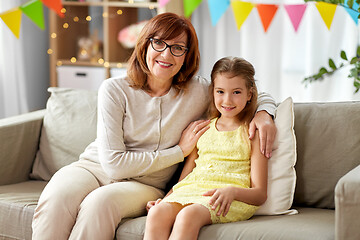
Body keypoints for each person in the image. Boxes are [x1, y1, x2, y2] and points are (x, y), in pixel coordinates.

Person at [32, 13, 275, 240]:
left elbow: (243, 91)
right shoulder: (114, 89)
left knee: (99, 204)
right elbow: (113, 165)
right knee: (56, 198)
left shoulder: (199, 91)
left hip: (145, 184)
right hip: (93, 167)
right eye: (159, 43)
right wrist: (178, 152)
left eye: (178, 48)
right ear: (145, 45)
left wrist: (265, 113)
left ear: (186, 56)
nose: (166, 55)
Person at [144, 57, 268, 240]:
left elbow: (260, 194)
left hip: (228, 197)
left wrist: (232, 191)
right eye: (220, 91)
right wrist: (167, 199)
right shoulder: (203, 129)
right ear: (212, 92)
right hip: (193, 190)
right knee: (157, 213)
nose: (227, 100)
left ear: (249, 94)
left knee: (188, 215)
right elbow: (185, 179)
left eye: (236, 92)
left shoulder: (252, 132)